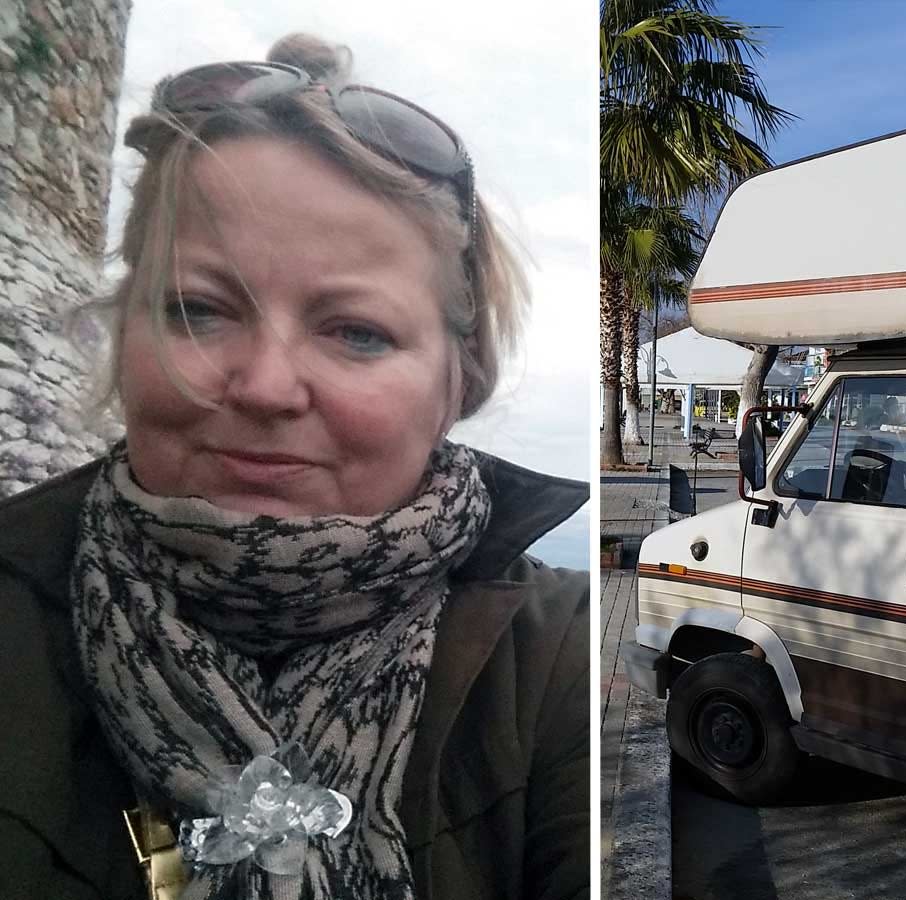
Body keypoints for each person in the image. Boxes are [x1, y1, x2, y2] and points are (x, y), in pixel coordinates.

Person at [0, 34, 588, 900]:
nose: (268, 386)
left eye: (355, 331)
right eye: (199, 311)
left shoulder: (559, 663)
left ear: (456, 382)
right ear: (125, 337)